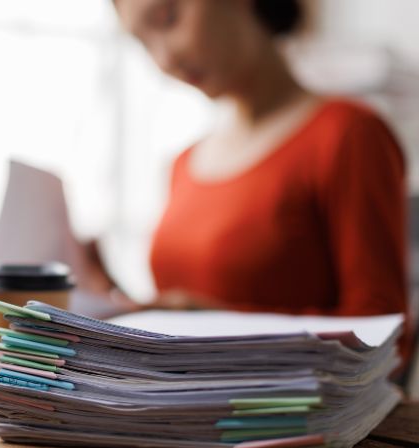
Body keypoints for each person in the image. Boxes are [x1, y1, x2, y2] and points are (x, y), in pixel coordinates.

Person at [104, 0, 409, 366]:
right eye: (142, 42)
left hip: (286, 415)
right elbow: (181, 312)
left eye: (168, 18)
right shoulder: (183, 164)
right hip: (178, 410)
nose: (163, 59)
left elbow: (384, 335)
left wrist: (219, 325)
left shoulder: (347, 135)